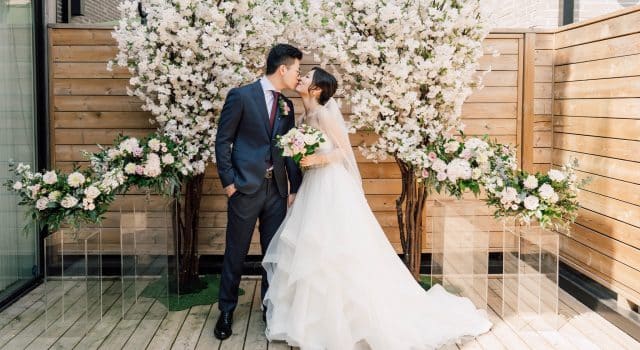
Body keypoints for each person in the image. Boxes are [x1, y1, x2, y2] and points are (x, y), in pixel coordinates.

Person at [262, 67, 493, 349]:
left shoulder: (323, 114)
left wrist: (317, 161)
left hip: (331, 186)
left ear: (317, 89)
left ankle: (351, 320)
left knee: (337, 249)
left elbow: (344, 152)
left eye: (307, 77)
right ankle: (312, 320)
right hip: (313, 187)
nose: (301, 78)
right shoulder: (304, 116)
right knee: (313, 248)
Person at [213, 44, 303, 340]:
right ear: (282, 69)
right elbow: (223, 140)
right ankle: (226, 310)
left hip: (276, 190)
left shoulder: (287, 105)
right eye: (296, 70)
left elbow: (289, 149)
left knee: (272, 255)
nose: (298, 76)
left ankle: (270, 308)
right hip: (245, 189)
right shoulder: (241, 96)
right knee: (235, 252)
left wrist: (293, 187)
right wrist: (229, 183)